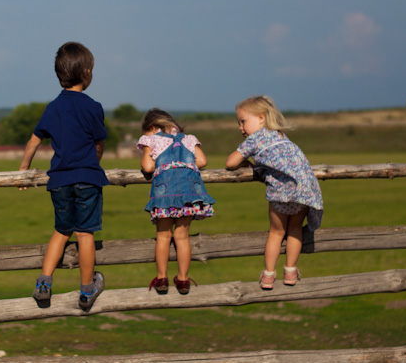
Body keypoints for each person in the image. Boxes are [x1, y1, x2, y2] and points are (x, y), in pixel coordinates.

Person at [19, 42, 108, 312]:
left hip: (59, 181)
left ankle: (43, 284)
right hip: (87, 179)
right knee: (85, 234)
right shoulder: (93, 107)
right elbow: (99, 144)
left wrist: (23, 169)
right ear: (87, 73)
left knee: (61, 231)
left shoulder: (53, 107)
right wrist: (94, 163)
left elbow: (34, 140)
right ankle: (87, 290)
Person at [225, 95, 323, 290]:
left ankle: (268, 275)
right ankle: (291, 271)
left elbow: (230, 162)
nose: (240, 128)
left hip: (281, 191)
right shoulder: (281, 136)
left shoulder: (255, 139)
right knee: (294, 230)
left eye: (243, 121)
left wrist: (244, 161)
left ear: (261, 118)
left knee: (276, 232)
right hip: (304, 189)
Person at [136, 108, 215, 295]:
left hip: (165, 195)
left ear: (153, 127)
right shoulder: (188, 139)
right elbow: (202, 161)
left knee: (163, 236)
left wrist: (153, 157)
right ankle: (183, 279)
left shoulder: (151, 139)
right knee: (182, 237)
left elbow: (148, 166)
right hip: (189, 193)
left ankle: (161, 277)